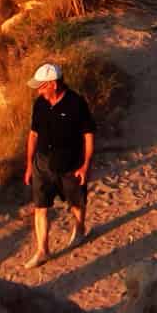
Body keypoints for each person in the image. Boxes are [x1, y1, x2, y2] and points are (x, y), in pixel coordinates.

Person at [24, 62, 95, 268]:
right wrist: (29, 164)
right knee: (40, 207)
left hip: (70, 163)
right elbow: (33, 135)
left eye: (42, 85)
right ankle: (42, 250)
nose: (38, 89)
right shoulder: (39, 104)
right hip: (42, 163)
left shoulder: (76, 104)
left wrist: (86, 165)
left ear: (54, 84)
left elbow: (88, 135)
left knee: (76, 202)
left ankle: (79, 229)